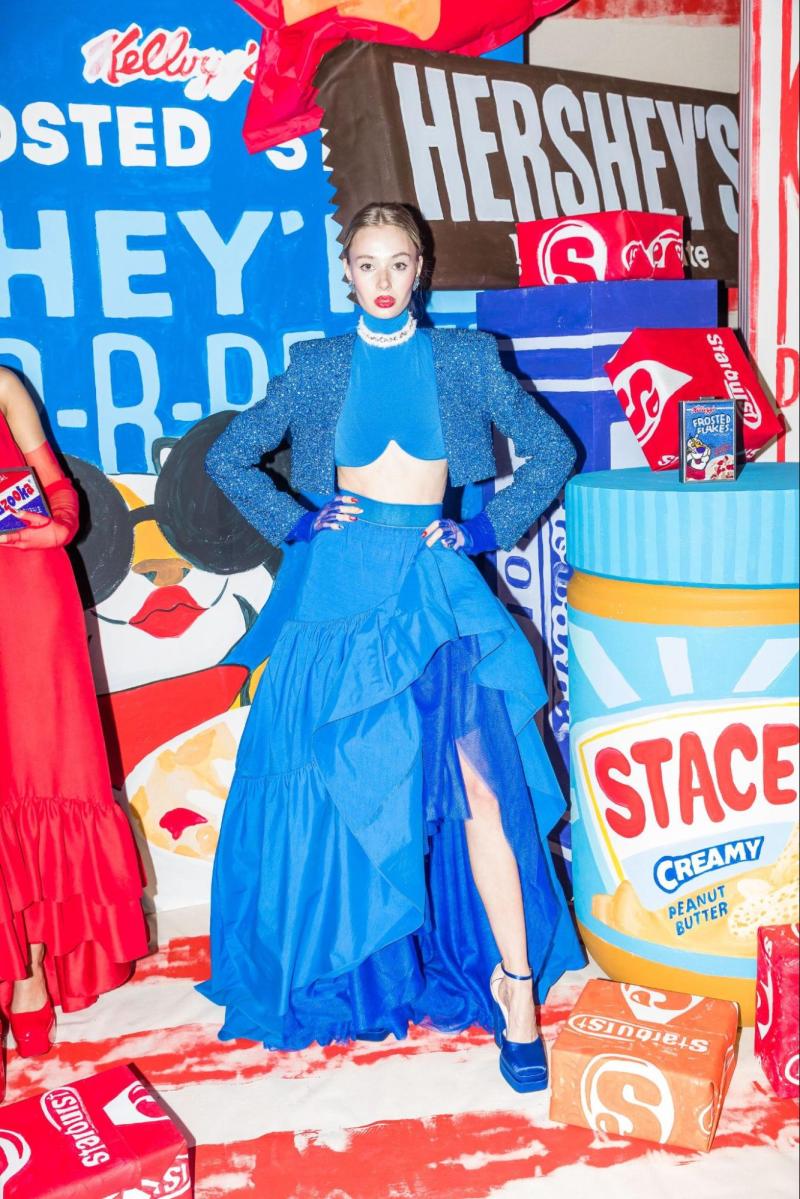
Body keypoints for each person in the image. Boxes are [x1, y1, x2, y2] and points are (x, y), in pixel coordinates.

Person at [198, 202, 585, 1092]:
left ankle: (517, 987)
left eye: (397, 263)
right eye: (365, 264)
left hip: (434, 587)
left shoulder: (462, 358)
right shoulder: (319, 366)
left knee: (485, 788)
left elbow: (550, 450)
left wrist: (484, 530)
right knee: (334, 786)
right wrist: (295, 521)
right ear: (348, 274)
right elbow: (230, 458)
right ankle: (348, 971)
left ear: (422, 270)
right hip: (336, 591)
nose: (381, 280)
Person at [0, 368, 149, 1062]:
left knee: (38, 766)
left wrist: (58, 523)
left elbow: (57, 484)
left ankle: (27, 970)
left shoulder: (2, 382)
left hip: (25, 584)